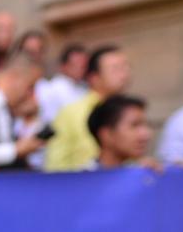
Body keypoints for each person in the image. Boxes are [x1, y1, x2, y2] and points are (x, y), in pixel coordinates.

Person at [44, 44, 131, 172]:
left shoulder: (130, 111)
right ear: (94, 77)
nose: (124, 75)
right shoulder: (71, 113)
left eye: (127, 67)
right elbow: (55, 166)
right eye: (115, 69)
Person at [86, 94, 158, 170]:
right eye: (134, 125)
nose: (146, 134)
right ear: (106, 135)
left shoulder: (142, 172)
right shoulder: (83, 178)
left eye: (146, 125)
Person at [36, 42, 88, 124]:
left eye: (84, 65)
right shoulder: (53, 88)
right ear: (63, 66)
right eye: (76, 64)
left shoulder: (85, 86)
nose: (81, 68)